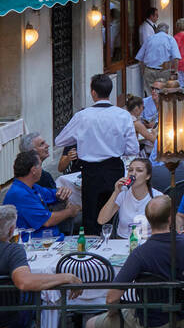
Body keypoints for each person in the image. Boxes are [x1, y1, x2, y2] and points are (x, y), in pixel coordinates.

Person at [84, 196, 184, 328]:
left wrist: (112, 314)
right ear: (171, 218)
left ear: (148, 219)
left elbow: (112, 298)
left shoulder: (140, 253)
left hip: (150, 320)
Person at [54, 74, 139, 235]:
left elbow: (60, 140)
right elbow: (132, 149)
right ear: (110, 92)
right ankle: (113, 240)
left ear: (93, 93)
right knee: (114, 207)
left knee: (91, 214)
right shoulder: (122, 115)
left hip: (91, 171)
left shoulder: (83, 116)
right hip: (114, 167)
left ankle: (91, 251)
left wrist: (84, 139)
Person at [3, 150, 81, 239]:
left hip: (49, 236)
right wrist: (70, 211)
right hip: (35, 242)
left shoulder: (32, 187)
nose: (42, 169)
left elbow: (53, 193)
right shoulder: (19, 194)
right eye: (40, 165)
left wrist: (62, 192)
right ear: (33, 170)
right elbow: (48, 221)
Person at [98, 157, 163, 237]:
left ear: (148, 176)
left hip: (147, 241)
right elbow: (101, 220)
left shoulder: (157, 197)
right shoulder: (122, 194)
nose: (133, 173)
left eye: (139, 170)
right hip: (123, 240)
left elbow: (164, 229)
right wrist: (116, 192)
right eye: (130, 170)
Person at [20, 132, 76, 197]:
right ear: (31, 151)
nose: (47, 145)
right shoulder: (39, 176)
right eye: (41, 144)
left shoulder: (23, 172)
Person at [135, 23, 180, 92]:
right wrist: (176, 71)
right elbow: (176, 57)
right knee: (163, 92)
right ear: (167, 31)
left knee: (150, 93)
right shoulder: (170, 39)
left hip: (149, 70)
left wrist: (143, 71)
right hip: (164, 71)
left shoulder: (149, 39)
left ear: (156, 30)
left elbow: (140, 57)